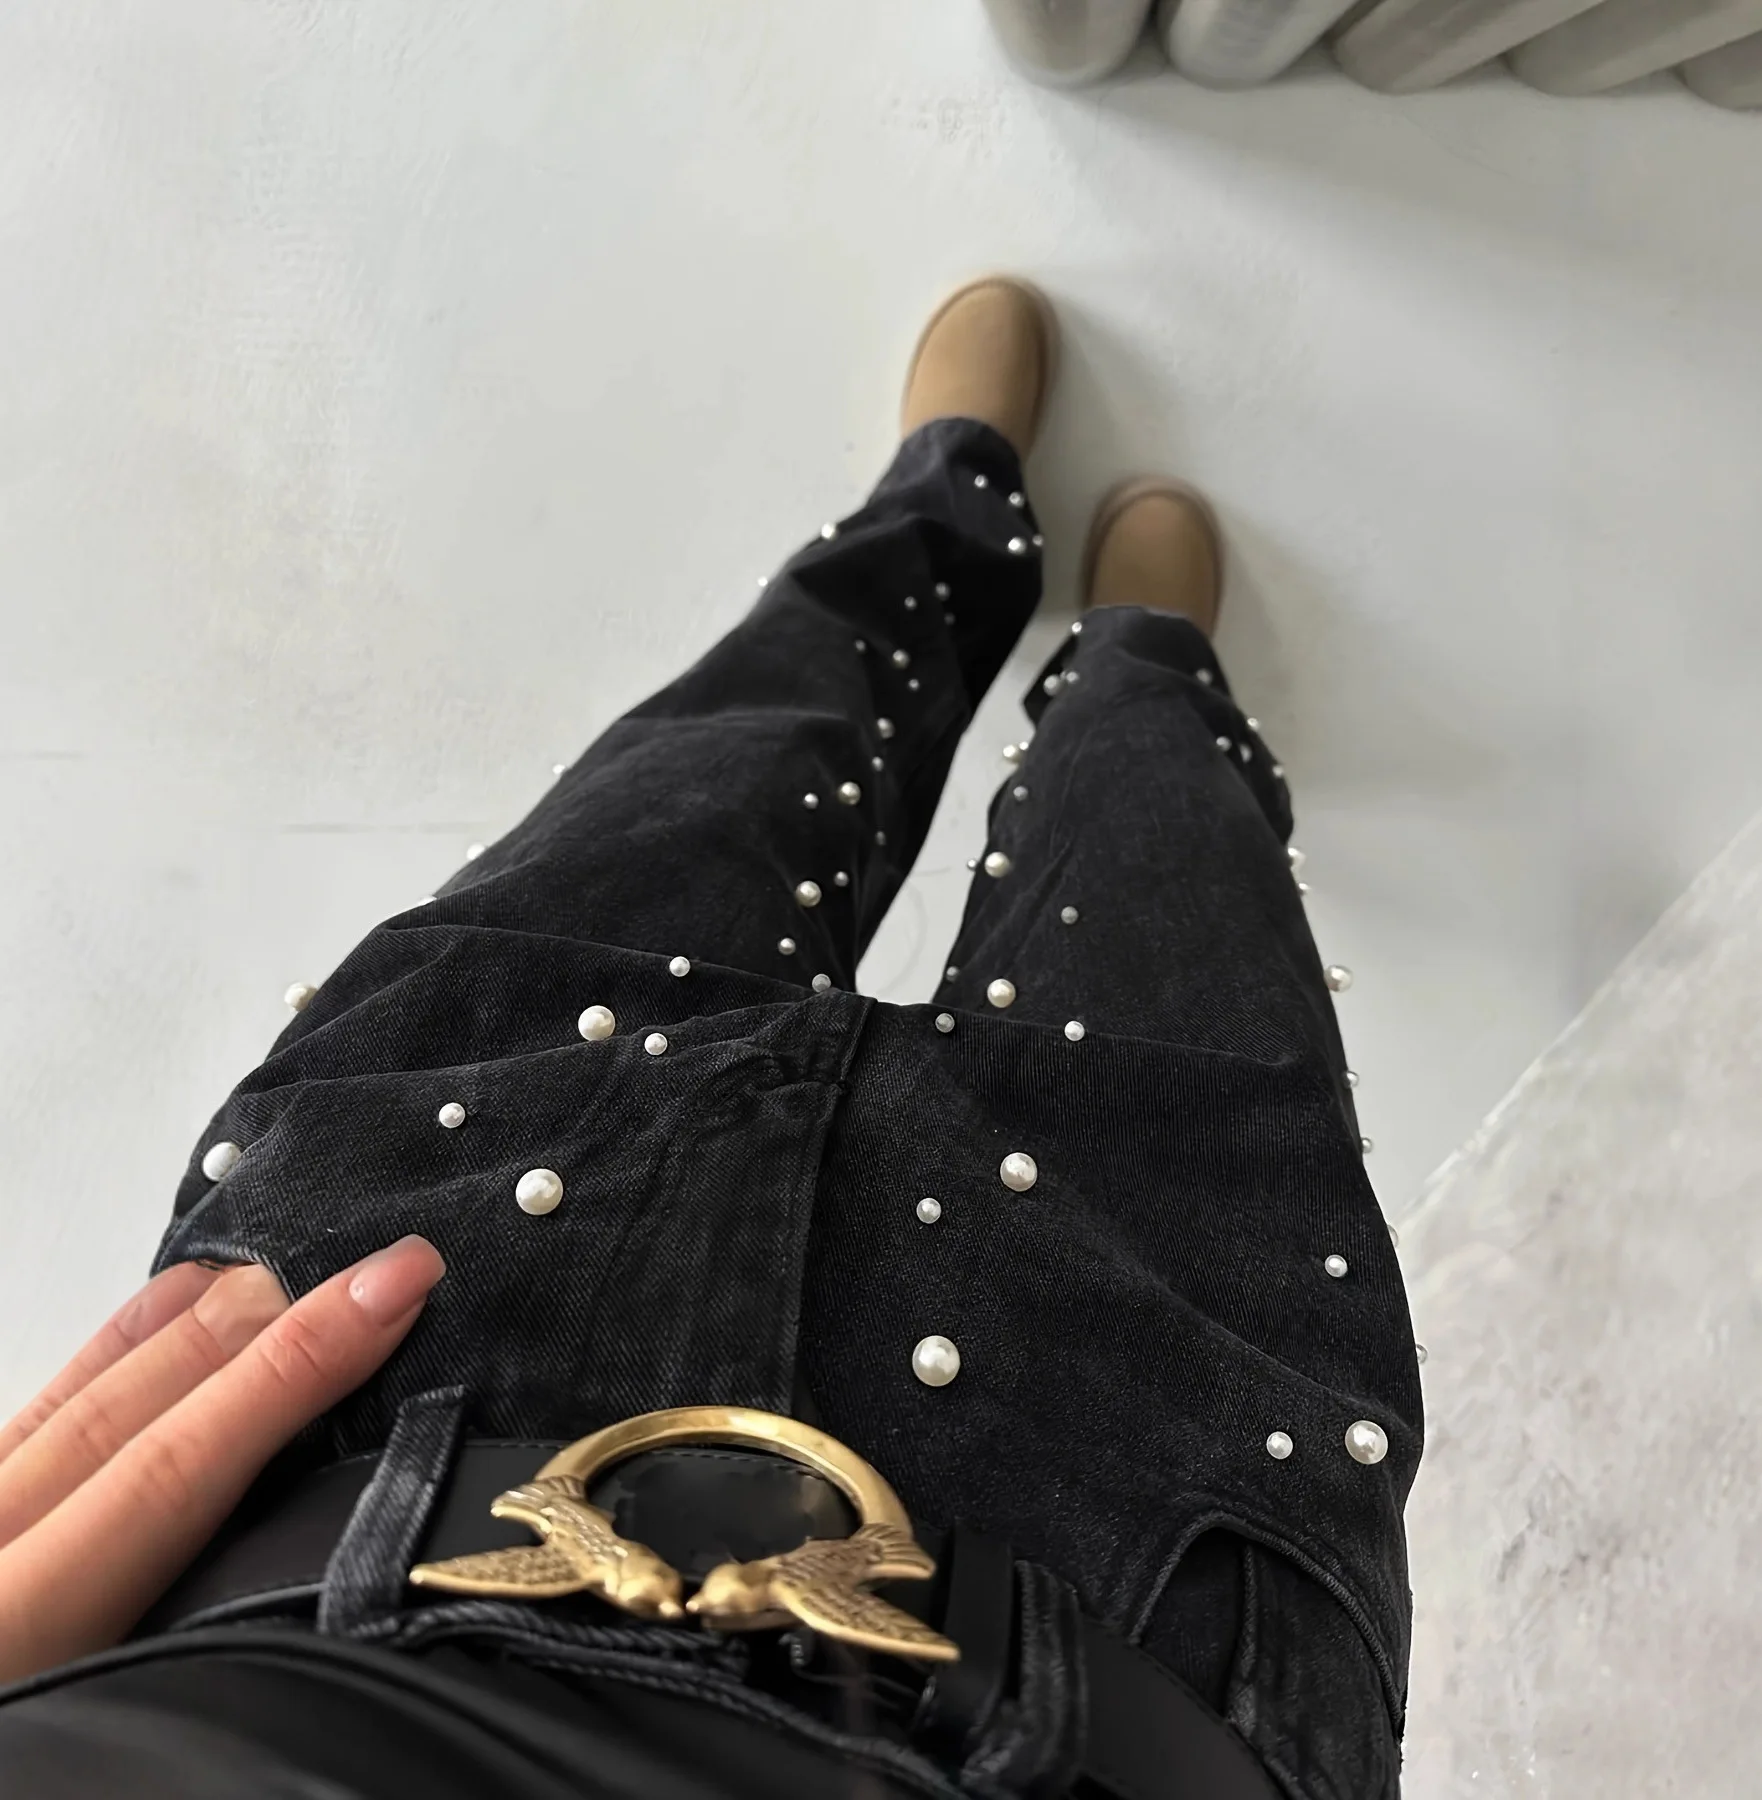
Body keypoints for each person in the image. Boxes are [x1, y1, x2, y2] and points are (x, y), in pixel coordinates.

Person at [0, 278, 1422, 1798]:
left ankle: (940, 501)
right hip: (1144, 1635)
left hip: (372, 1417)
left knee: (734, 755)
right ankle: (1142, 663)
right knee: (1166, 852)